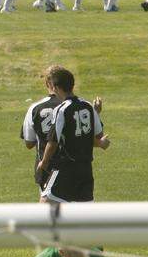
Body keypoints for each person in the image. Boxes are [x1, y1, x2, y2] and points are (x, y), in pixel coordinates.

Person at [37, 66, 110, 203]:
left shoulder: (61, 109)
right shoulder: (88, 106)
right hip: (86, 170)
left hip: (66, 168)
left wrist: (44, 162)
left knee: (45, 203)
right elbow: (97, 134)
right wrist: (101, 143)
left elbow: (53, 141)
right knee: (83, 211)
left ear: (56, 87)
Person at [21, 68, 65, 193]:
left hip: (47, 168)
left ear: (47, 83)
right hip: (75, 167)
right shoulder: (75, 105)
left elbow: (29, 143)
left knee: (47, 203)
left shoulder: (35, 108)